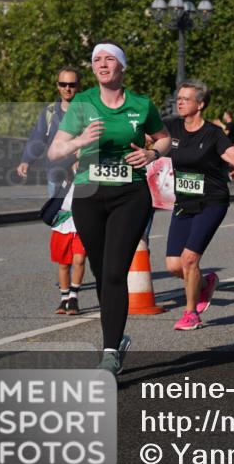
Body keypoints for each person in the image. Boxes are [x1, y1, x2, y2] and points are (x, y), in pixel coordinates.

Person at [48, 42, 170, 376]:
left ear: (122, 67)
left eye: (109, 59)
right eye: (96, 59)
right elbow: (55, 152)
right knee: (103, 273)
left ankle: (110, 352)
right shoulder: (83, 103)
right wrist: (80, 141)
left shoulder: (141, 105)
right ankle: (115, 337)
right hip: (88, 195)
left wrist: (152, 154)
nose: (102, 64)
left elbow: (163, 137)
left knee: (116, 272)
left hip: (129, 195)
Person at [164, 80, 234, 331]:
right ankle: (204, 284)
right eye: (178, 98)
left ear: (200, 104)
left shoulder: (213, 134)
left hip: (211, 201)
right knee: (173, 265)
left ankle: (191, 313)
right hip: (184, 203)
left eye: (185, 99)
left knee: (190, 259)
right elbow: (148, 137)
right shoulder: (171, 127)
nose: (179, 102)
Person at [18, 67, 81, 197]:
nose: (67, 88)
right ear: (57, 85)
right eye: (63, 84)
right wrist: (26, 161)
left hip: (81, 175)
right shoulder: (49, 112)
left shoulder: (88, 110)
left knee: (81, 216)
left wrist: (83, 152)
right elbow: (38, 138)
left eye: (72, 85)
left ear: (78, 86)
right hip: (55, 174)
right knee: (56, 215)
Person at [50, 178, 86, 315]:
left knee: (80, 260)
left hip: (82, 222)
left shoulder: (91, 171)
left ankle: (73, 297)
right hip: (63, 222)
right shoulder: (64, 172)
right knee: (63, 264)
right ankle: (64, 298)